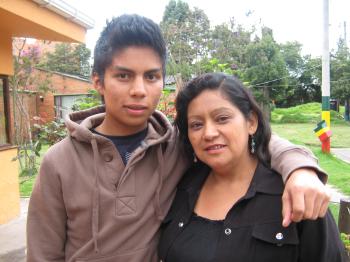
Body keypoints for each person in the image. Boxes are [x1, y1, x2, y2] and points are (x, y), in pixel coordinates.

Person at [27, 15, 330, 262]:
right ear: (98, 81)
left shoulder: (176, 147)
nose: (139, 90)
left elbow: (243, 139)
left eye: (151, 76)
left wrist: (299, 169)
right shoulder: (58, 163)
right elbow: (43, 254)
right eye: (123, 76)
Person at [158, 72, 344, 262]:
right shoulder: (181, 185)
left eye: (222, 118)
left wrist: (301, 169)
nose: (209, 133)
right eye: (196, 125)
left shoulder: (295, 192)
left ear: (251, 122)